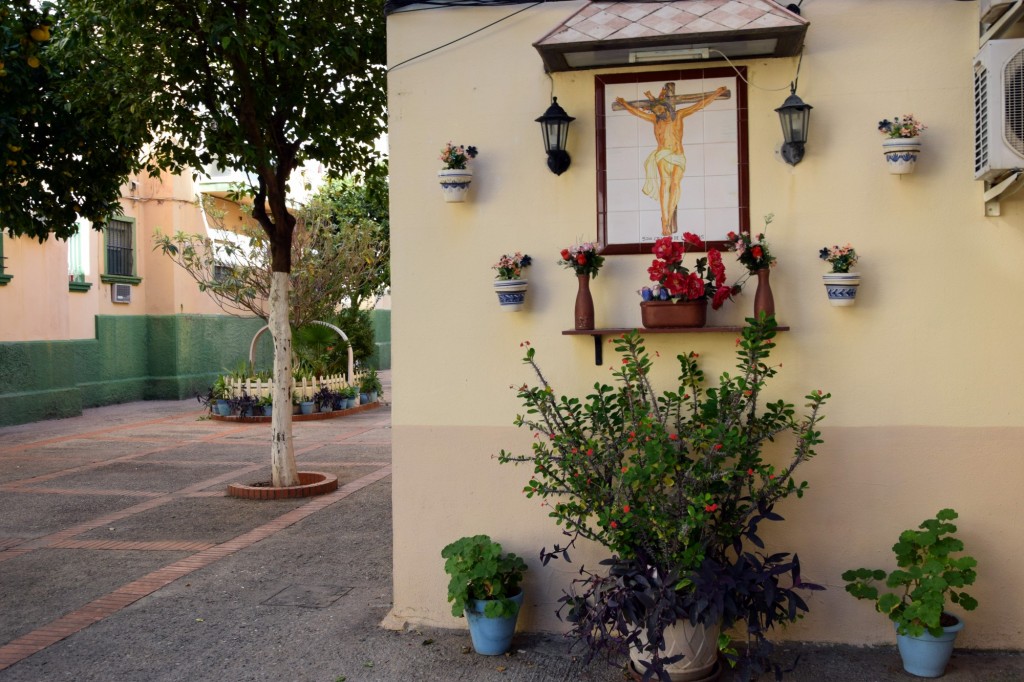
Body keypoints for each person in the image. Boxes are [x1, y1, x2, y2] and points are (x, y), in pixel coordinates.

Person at [615, 83, 729, 236]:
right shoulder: (654, 120)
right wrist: (623, 103)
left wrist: (715, 94)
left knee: (675, 185)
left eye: (660, 109)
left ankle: (668, 220)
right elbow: (637, 113)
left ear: (666, 107)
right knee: (665, 183)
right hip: (663, 154)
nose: (658, 113)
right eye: (655, 111)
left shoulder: (679, 115)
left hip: (678, 154)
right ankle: (664, 220)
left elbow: (698, 105)